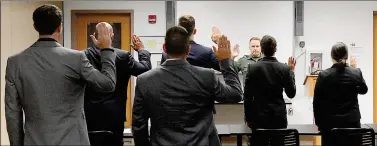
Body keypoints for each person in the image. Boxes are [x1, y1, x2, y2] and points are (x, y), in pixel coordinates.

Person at [5, 4, 117, 145]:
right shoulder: (76, 58)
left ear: (35, 27)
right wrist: (106, 49)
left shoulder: (15, 62)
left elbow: (12, 113)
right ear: (60, 27)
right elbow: (108, 84)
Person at [132, 26, 242, 146]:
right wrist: (225, 61)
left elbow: (139, 124)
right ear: (188, 50)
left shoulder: (145, 80)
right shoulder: (207, 76)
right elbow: (235, 94)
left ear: (164, 48)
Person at [83, 22, 152, 146]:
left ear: (94, 36)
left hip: (88, 116)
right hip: (114, 116)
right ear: (112, 36)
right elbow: (145, 70)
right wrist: (142, 50)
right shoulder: (122, 56)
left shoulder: (83, 56)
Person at [243, 35, 296, 145]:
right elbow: (291, 93)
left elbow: (247, 96)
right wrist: (291, 72)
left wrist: (248, 118)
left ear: (261, 49)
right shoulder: (284, 68)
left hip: (259, 118)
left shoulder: (252, 68)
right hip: (278, 118)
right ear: (275, 49)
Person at [313, 42, 368, 146]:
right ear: (346, 55)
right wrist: (355, 69)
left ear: (332, 56)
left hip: (330, 125)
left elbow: (317, 102)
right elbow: (364, 90)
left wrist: (319, 124)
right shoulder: (356, 72)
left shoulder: (324, 75)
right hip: (352, 123)